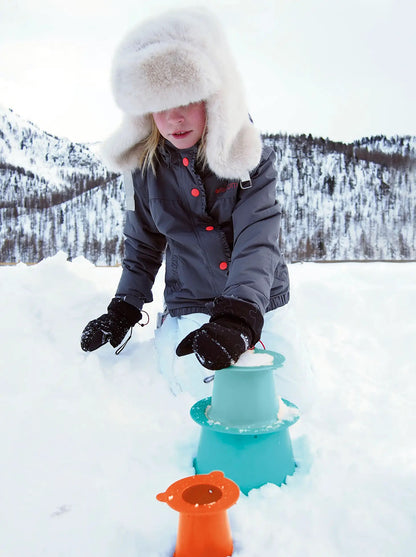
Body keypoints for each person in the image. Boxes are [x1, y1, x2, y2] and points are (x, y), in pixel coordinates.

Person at [81, 8, 315, 410]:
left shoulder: (252, 160)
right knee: (200, 402)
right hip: (191, 305)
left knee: (294, 404)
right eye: (159, 105)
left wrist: (240, 316)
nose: (173, 118)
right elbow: (142, 248)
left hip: (262, 306)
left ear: (214, 96)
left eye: (186, 99)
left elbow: (257, 241)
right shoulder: (145, 170)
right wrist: (124, 307)